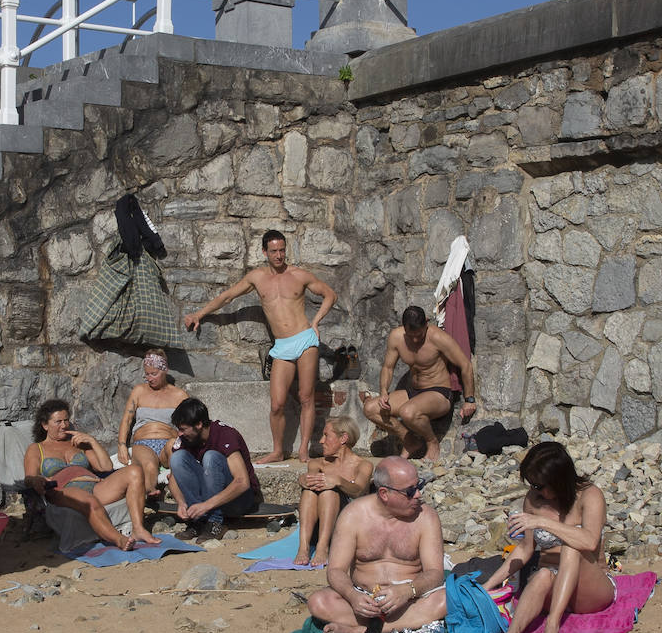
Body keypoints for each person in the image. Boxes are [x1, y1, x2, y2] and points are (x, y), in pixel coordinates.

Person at [182, 229, 336, 462]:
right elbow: (227, 297)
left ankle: (304, 448)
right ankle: (277, 450)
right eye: (274, 251)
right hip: (282, 345)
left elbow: (330, 295)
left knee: (306, 397)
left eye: (282, 250)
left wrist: (315, 322)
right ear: (264, 252)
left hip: (305, 340)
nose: (279, 255)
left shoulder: (299, 275)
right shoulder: (257, 277)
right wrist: (199, 314)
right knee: (277, 404)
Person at [483, 441, 615, 633]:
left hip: (590, 587)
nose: (535, 490)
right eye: (532, 484)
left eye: (539, 485)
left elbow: (589, 542)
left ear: (559, 480)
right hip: (552, 584)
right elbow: (526, 548)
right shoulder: (534, 499)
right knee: (542, 574)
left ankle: (552, 625)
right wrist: (489, 585)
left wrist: (543, 522)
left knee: (571, 546)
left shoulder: (589, 496)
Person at [308, 456, 449, 633]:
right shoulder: (354, 515)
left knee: (447, 600)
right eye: (410, 491)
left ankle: (360, 632)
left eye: (419, 486)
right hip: (365, 600)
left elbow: (435, 573)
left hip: (410, 600)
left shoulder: (426, 517)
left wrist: (407, 591)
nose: (418, 495)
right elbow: (335, 570)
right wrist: (353, 596)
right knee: (318, 602)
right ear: (384, 493)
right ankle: (399, 624)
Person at [22, 399, 160, 551]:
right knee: (89, 501)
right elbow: (29, 477)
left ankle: (138, 529)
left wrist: (92, 441)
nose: (64, 425)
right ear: (45, 425)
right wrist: (37, 481)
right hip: (63, 490)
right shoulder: (36, 448)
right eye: (58, 421)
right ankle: (118, 539)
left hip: (94, 485)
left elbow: (106, 466)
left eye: (66, 420)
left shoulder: (77, 443)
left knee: (135, 471)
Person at [362, 305, 478, 460]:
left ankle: (432, 442)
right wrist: (383, 391)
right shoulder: (396, 337)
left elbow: (465, 365)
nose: (415, 340)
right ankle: (409, 440)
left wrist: (469, 399)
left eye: (419, 335)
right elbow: (388, 367)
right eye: (411, 336)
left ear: (426, 323)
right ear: (404, 328)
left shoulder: (438, 337)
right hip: (413, 392)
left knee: (407, 412)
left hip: (439, 393)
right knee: (370, 408)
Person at [166, 398, 261, 543]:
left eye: (183, 429)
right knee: (177, 458)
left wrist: (206, 506)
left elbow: (242, 482)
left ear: (199, 425)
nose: (179, 434)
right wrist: (181, 503)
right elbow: (173, 478)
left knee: (211, 457)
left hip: (239, 500)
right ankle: (199, 521)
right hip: (209, 500)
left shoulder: (224, 434)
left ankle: (215, 522)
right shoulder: (185, 440)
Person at [294, 416, 373, 566]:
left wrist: (338, 481)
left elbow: (359, 491)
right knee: (309, 491)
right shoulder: (317, 463)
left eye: (326, 435)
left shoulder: (363, 465)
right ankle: (303, 547)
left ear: (343, 438)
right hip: (320, 524)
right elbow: (309, 480)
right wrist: (303, 480)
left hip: (348, 525)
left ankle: (323, 548)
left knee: (329, 492)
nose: (321, 441)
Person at [115, 349, 189, 496]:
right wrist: (121, 444)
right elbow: (127, 419)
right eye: (147, 374)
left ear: (165, 370)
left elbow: (188, 423)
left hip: (168, 440)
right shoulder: (139, 391)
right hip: (144, 443)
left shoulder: (179, 395)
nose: (149, 378)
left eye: (154, 374)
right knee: (149, 465)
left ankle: (177, 489)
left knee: (174, 451)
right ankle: (150, 492)